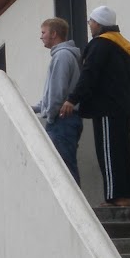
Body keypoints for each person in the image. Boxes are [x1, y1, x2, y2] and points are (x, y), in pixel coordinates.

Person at [60, 4, 130, 207]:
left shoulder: (99, 45)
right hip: (124, 105)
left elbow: (89, 76)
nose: (90, 25)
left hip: (107, 108)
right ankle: (127, 197)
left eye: (91, 22)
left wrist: (72, 99)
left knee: (109, 152)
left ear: (98, 23)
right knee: (122, 151)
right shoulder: (124, 46)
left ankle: (114, 198)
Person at [33, 16, 83, 182]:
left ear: (54, 34)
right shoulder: (64, 56)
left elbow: (57, 92)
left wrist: (51, 115)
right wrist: (38, 108)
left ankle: (74, 208)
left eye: (43, 32)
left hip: (62, 121)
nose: (41, 37)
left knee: (65, 169)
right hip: (65, 120)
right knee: (64, 166)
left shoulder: (61, 57)